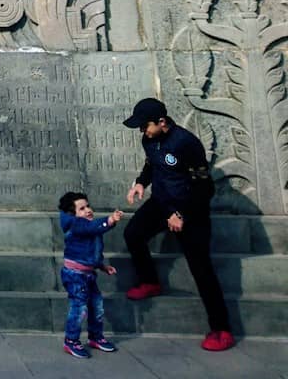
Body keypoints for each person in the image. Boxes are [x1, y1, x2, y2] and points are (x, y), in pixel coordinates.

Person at [122, 97, 234, 351]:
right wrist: (141, 183)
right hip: (162, 203)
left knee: (201, 269)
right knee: (133, 234)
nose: (142, 131)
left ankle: (222, 329)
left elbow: (204, 188)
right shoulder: (149, 139)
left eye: (145, 125)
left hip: (191, 209)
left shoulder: (186, 143)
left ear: (162, 121)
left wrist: (181, 214)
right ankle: (150, 281)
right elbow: (152, 164)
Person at [58, 191, 123, 358]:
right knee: (79, 308)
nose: (88, 210)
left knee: (96, 305)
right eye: (81, 209)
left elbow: (91, 253)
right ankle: (71, 340)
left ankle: (95, 336)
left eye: (88, 206)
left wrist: (102, 266)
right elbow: (91, 227)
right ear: (72, 214)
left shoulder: (89, 227)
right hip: (74, 275)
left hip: (88, 273)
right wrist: (110, 220)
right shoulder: (76, 225)